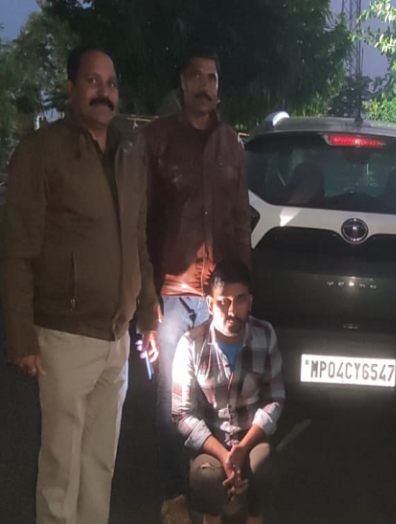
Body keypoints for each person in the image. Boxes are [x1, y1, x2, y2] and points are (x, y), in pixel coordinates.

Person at [2, 45, 160, 524]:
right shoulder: (42, 152)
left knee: (99, 465)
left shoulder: (127, 154)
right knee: (61, 468)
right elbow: (17, 250)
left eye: (111, 84)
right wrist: (21, 337)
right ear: (71, 88)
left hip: (116, 337)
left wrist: (148, 314)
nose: (104, 92)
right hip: (64, 335)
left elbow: (137, 240)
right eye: (93, 81)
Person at [142, 47, 252, 522]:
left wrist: (242, 293)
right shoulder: (157, 139)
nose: (205, 85)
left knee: (219, 400)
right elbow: (141, 222)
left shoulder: (231, 144)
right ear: (183, 83)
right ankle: (174, 495)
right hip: (171, 293)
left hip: (219, 297)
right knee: (173, 399)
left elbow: (240, 220)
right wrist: (146, 298)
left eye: (212, 78)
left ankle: (212, 493)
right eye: (197, 77)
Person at [172, 259, 284, 524]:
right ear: (210, 304)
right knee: (205, 479)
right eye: (224, 302)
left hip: (250, 438)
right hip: (212, 441)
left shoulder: (265, 334)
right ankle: (212, 516)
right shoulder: (191, 344)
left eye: (240, 300)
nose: (232, 310)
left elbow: (275, 399)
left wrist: (243, 448)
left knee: (265, 469)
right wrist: (224, 455)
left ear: (250, 302)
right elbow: (182, 414)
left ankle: (253, 515)